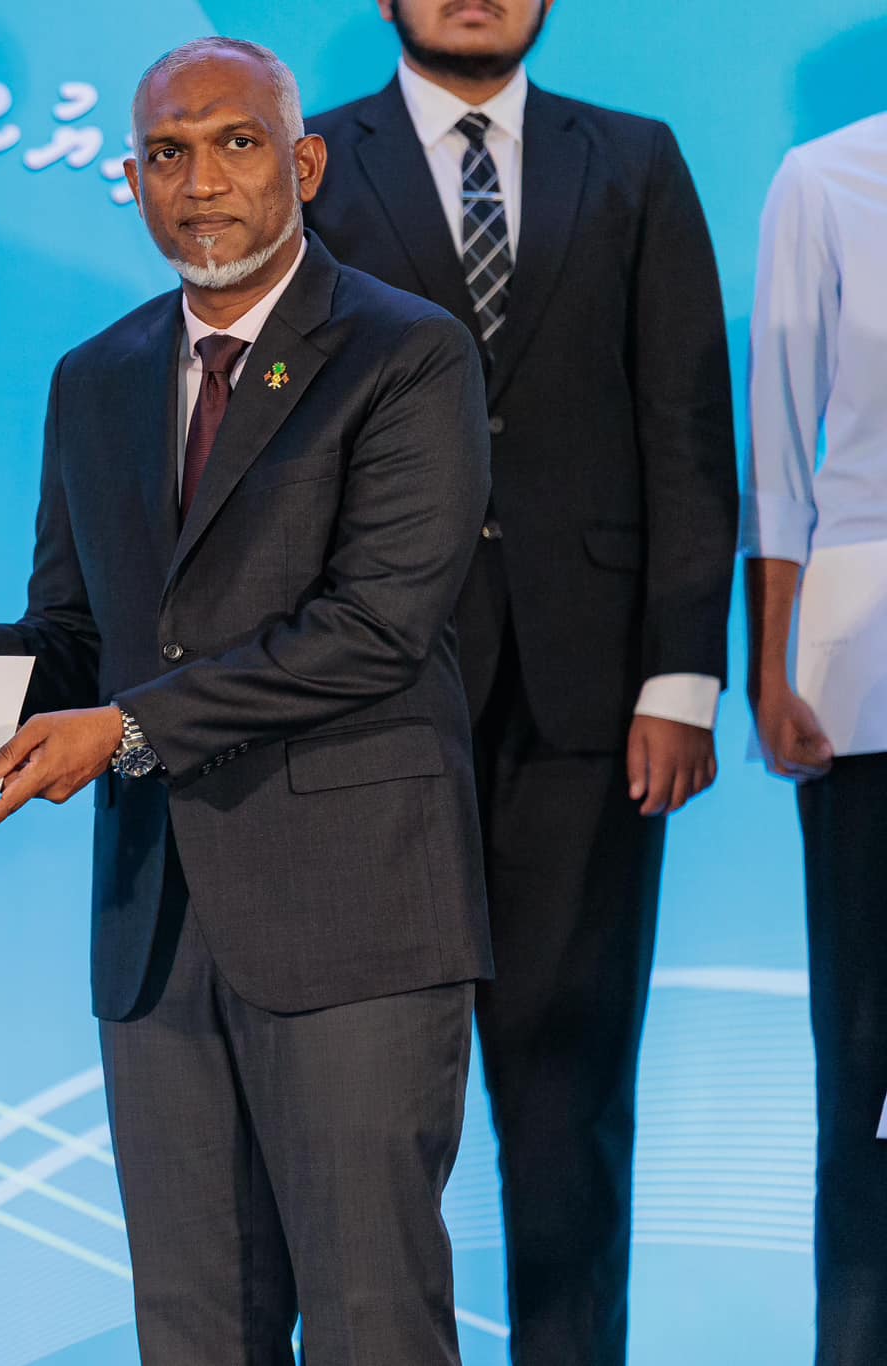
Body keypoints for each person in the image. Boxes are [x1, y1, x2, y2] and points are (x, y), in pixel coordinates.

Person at [0, 38, 491, 1364]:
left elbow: (375, 628)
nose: (200, 181)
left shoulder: (404, 353)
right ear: (133, 181)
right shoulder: (96, 376)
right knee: (194, 1325)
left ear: (303, 164)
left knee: (372, 1316)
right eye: (167, 153)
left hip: (354, 915)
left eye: (235, 143)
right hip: (156, 923)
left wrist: (131, 728)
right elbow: (86, 637)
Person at [301, 5, 739, 1359]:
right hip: (371, 697)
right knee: (362, 1100)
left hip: (589, 700)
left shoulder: (634, 159)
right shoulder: (311, 159)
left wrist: (681, 675)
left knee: (571, 1091)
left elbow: (685, 418)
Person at [742, 111, 887, 1366]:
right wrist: (769, 663)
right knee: (868, 1074)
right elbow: (778, 455)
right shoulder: (826, 177)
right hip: (868, 685)